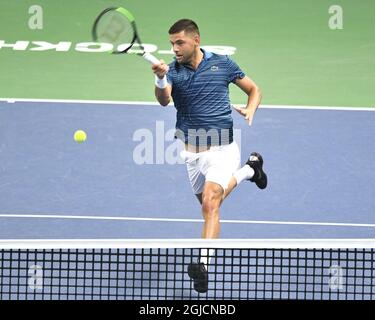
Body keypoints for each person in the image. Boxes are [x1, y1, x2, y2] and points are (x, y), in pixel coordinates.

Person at [152, 19, 267, 293]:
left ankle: (202, 266)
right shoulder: (174, 72)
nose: (175, 49)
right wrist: (159, 76)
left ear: (196, 40)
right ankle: (251, 170)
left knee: (210, 204)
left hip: (222, 149)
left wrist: (251, 108)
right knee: (209, 204)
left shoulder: (223, 64)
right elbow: (164, 99)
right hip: (191, 154)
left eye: (179, 42)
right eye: (172, 44)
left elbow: (254, 89)